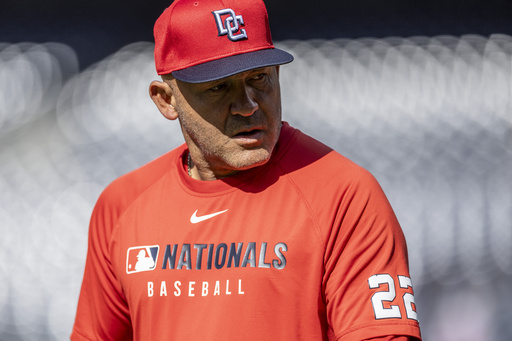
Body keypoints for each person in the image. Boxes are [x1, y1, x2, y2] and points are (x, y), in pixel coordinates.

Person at [70, 0, 422, 340]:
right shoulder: (121, 206)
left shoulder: (345, 195)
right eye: (219, 87)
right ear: (166, 99)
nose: (248, 105)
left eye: (259, 78)